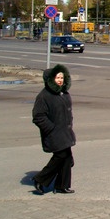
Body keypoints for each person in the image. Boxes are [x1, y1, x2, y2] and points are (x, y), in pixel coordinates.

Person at [32, 64, 76, 194]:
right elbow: (38, 116)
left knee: (67, 158)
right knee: (60, 156)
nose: (60, 80)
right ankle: (40, 179)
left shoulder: (63, 93)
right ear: (51, 79)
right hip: (54, 133)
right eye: (57, 77)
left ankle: (61, 185)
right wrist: (51, 129)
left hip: (65, 132)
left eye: (62, 77)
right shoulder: (44, 96)